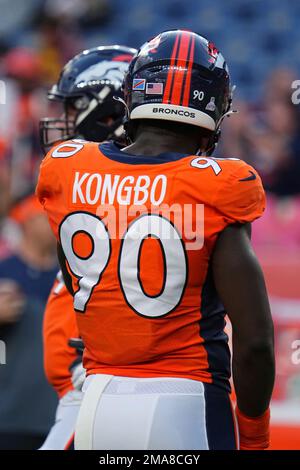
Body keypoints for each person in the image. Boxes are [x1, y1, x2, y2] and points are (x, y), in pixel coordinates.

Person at [36, 30, 275, 450]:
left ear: (131, 94)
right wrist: (254, 434)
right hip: (185, 399)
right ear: (216, 106)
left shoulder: (64, 168)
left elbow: (77, 284)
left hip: (96, 402)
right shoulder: (221, 184)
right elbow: (254, 343)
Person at [38, 45, 137, 450]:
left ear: (108, 112)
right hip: (88, 391)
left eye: (73, 107)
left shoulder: (124, 190)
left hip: (100, 392)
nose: (62, 121)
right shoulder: (89, 183)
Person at [0, 194, 58, 449]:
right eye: (45, 213)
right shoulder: (5, 270)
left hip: (59, 414)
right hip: (9, 415)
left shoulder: (69, 275)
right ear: (27, 219)